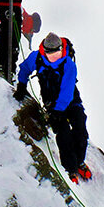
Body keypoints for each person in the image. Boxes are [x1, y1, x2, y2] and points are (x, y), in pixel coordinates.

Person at [14, 32, 92, 184]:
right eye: (52, 55)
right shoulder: (37, 58)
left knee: (80, 129)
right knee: (63, 134)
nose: (55, 58)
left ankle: (79, 161)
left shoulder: (68, 64)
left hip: (71, 101)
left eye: (58, 54)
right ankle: (70, 168)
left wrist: (58, 110)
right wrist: (22, 84)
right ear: (45, 52)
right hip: (51, 103)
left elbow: (67, 91)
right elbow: (24, 68)